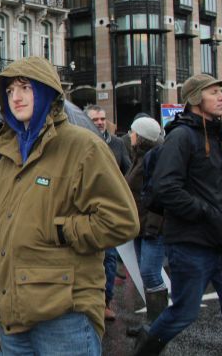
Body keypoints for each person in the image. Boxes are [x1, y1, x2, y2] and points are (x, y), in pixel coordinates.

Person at [0, 57, 138, 355]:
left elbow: (122, 219)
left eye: (25, 87)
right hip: (12, 310)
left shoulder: (82, 146)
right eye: (9, 91)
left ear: (45, 92)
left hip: (64, 312)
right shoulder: (6, 153)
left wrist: (62, 230)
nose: (16, 97)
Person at [134, 75, 222, 355]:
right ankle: (143, 350)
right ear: (195, 99)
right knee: (184, 312)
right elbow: (166, 187)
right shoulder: (181, 136)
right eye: (214, 92)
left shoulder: (220, 136)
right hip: (192, 245)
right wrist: (208, 214)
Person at [85, 103, 132, 321]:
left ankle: (105, 302)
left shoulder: (117, 144)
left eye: (102, 119)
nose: (100, 122)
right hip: (85, 210)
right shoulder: (81, 143)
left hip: (108, 209)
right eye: (95, 120)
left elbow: (127, 170)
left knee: (110, 259)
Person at [122, 116, 167, 337]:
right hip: (140, 226)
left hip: (153, 228)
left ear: (140, 136)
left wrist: (152, 226)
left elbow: (157, 195)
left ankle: (158, 326)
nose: (129, 135)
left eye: (132, 132)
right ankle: (153, 323)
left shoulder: (154, 159)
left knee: (150, 272)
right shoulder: (138, 157)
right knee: (146, 272)